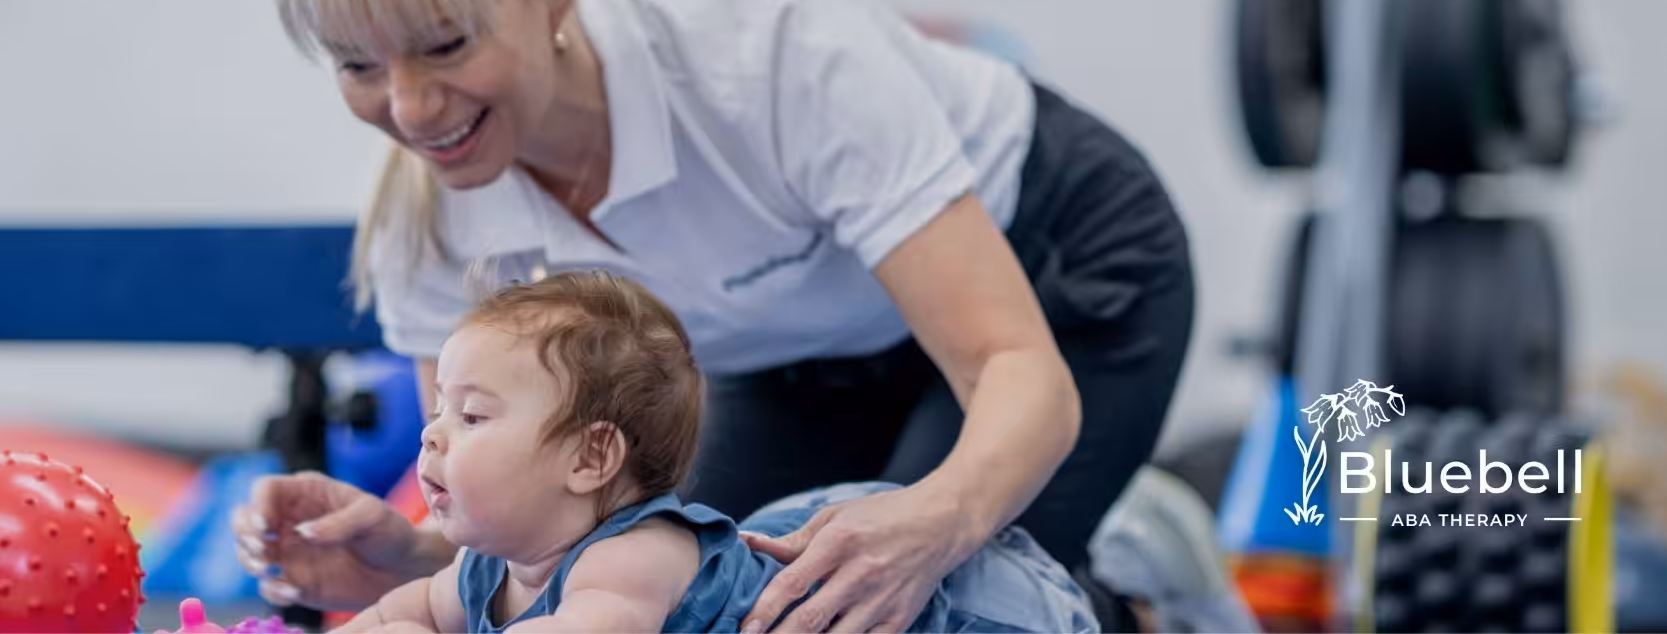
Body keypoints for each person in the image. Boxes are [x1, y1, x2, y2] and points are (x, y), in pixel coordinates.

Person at [237, 0, 1195, 632]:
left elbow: (1013, 365)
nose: (407, 109)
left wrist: (933, 522)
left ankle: (1132, 595)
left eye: (444, 46)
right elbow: (535, 529)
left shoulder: (777, 46)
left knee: (897, 605)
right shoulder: (429, 214)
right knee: (699, 599)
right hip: (793, 353)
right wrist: (408, 558)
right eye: (359, 65)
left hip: (1051, 274)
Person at [326, 269, 1095, 633]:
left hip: (977, 616)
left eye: (471, 415)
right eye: (436, 411)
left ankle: (1130, 581)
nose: (432, 434)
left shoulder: (631, 559)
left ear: (590, 460)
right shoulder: (484, 570)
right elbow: (403, 614)